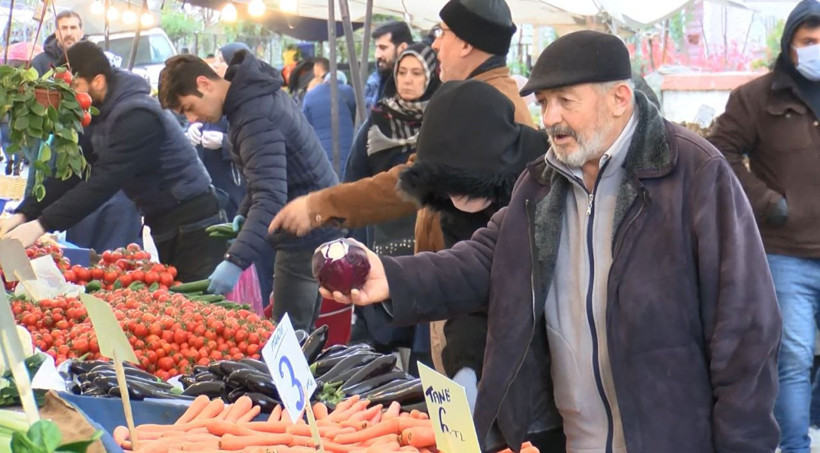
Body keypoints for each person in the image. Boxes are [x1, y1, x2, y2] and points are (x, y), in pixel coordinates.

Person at [321, 30, 782, 453]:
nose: (551, 118)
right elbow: (485, 259)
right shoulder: (543, 181)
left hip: (668, 437)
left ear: (620, 98)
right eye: (544, 102)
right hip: (570, 439)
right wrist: (390, 276)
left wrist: (743, 442)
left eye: (566, 100)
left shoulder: (693, 174)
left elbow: (745, 325)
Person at [270, 0, 531, 388]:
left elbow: (408, 181)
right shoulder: (472, 97)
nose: (436, 44)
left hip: (467, 300)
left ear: (465, 44)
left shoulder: (483, 109)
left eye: (443, 34)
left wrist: (321, 205)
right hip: (452, 288)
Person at [0, 41, 227, 282]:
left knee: (197, 301)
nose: (71, 96)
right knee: (180, 295)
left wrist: (42, 224)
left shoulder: (137, 115)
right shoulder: (101, 112)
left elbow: (103, 181)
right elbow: (76, 172)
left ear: (97, 81)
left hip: (194, 222)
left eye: (75, 86)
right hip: (165, 221)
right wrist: (25, 214)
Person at [158, 50, 340, 332]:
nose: (193, 119)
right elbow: (265, 177)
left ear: (205, 84)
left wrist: (235, 261)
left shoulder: (253, 117)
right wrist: (244, 213)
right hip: (314, 220)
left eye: (189, 108)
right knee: (302, 333)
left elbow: (270, 196)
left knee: (288, 335)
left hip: (305, 231)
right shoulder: (250, 97)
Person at [709, 1, 820, 451]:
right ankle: (795, 446)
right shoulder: (755, 98)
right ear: (789, 45)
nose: (817, 50)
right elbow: (720, 152)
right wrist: (768, 203)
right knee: (792, 358)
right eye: (809, 42)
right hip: (785, 252)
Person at [345, 43, 441, 375]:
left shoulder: (443, 120)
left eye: (417, 73)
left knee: (423, 343)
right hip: (380, 242)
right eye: (402, 72)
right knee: (373, 338)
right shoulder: (378, 119)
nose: (408, 81)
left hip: (425, 244)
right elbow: (354, 176)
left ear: (432, 77)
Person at [188, 43, 276, 306]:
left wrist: (225, 143)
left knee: (259, 263)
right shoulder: (214, 99)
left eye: (220, 60)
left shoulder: (247, 106)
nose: (215, 65)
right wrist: (190, 134)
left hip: (242, 192)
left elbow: (259, 159)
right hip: (223, 191)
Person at [302, 57, 356, 175]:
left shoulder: (310, 96)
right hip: (350, 156)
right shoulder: (348, 92)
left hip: (322, 159)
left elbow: (304, 129)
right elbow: (355, 117)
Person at [364, 21, 413, 110]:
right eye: (377, 47)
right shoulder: (380, 78)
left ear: (403, 48)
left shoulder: (417, 82)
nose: (377, 55)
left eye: (383, 48)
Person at [31, 10, 83, 75]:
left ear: (81, 32)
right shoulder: (39, 63)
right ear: (56, 33)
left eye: (73, 28)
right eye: (64, 28)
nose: (69, 33)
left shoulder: (93, 59)